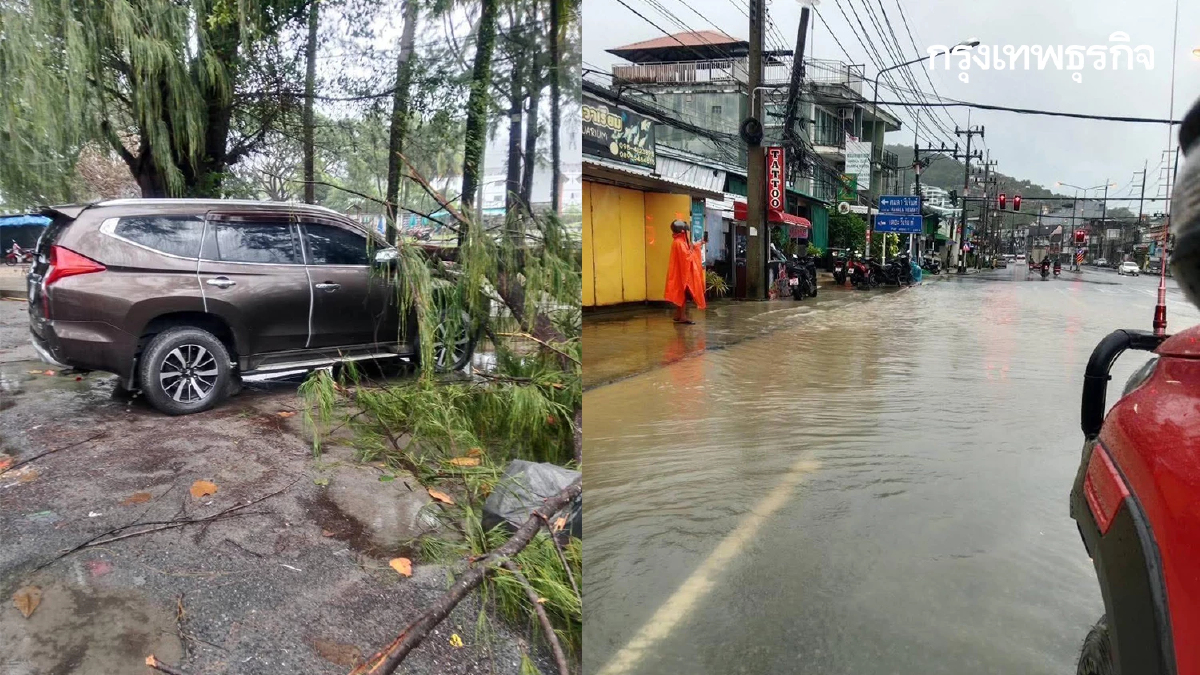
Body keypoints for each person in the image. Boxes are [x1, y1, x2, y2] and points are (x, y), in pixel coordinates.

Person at [664, 219, 706, 324]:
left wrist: (697, 245)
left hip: (680, 272)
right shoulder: (680, 243)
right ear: (682, 231)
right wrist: (695, 250)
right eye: (685, 231)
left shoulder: (678, 242)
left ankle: (678, 315)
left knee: (681, 294)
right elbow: (687, 257)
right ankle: (682, 316)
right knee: (683, 294)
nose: (686, 232)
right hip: (682, 273)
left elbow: (687, 252)